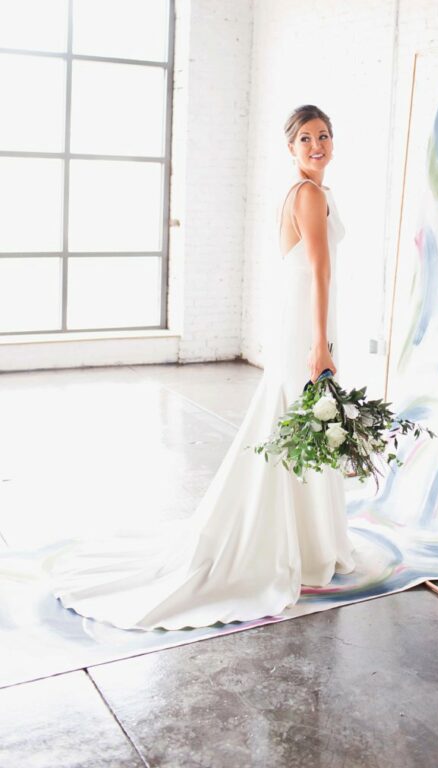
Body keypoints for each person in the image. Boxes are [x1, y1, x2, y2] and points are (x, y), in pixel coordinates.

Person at [40, 104, 356, 631]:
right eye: (305, 138)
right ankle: (290, 541)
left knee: (303, 425)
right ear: (290, 147)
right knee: (300, 422)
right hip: (306, 324)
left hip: (301, 318)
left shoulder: (309, 192)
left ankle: (305, 538)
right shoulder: (307, 194)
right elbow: (319, 269)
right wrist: (321, 342)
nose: (317, 145)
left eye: (324, 135)